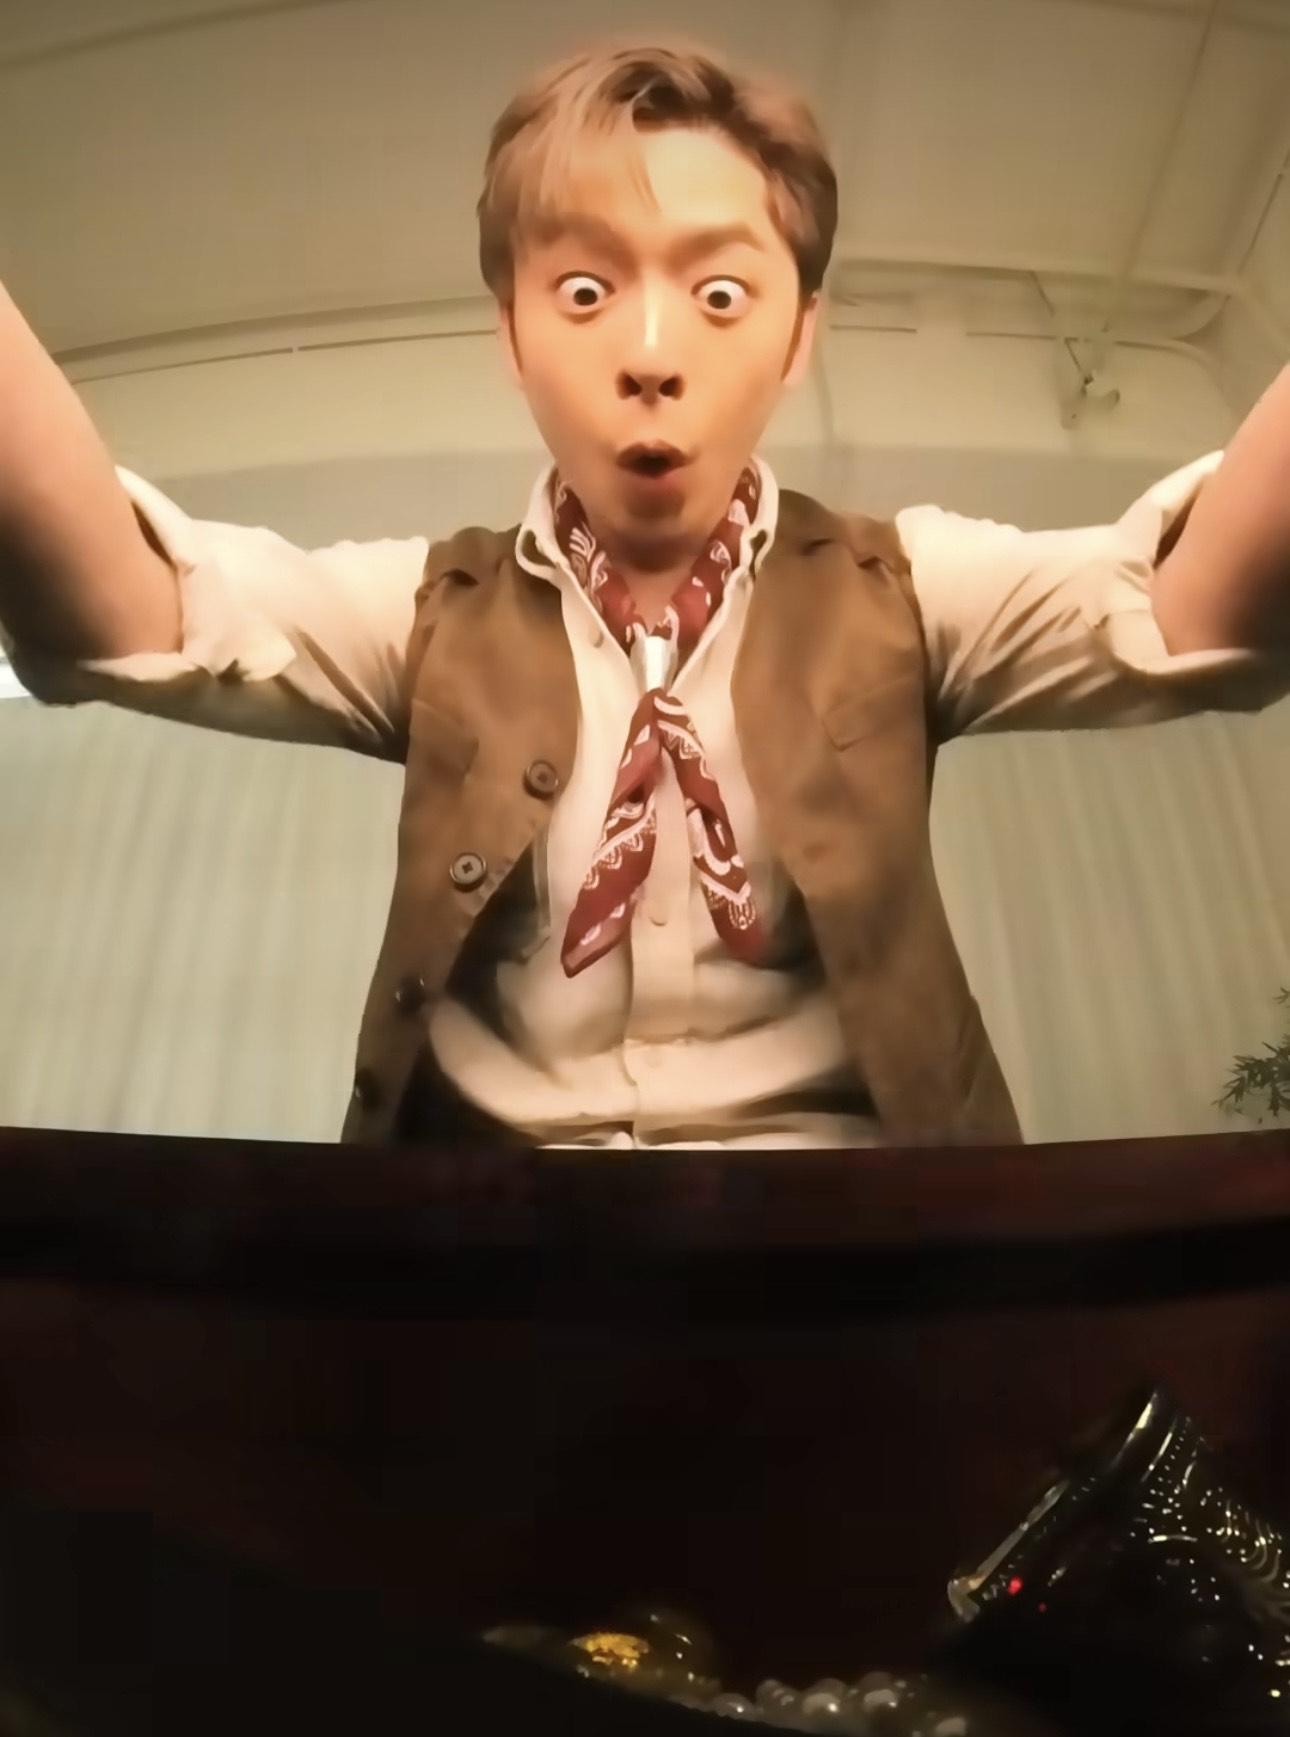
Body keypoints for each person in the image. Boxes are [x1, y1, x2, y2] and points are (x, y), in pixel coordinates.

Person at [1, 40, 1288, 1152]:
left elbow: (1195, 614)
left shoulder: (905, 588)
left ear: (799, 336)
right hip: (492, 1250)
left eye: (721, 294)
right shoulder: (428, 611)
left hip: (857, 1243)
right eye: (584, 292)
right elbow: (130, 613)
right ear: (512, 334)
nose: (654, 357)